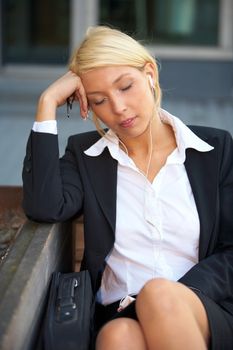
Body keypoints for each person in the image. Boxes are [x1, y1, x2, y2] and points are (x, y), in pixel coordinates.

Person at [22, 26, 233, 350]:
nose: (118, 108)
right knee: (117, 338)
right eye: (99, 100)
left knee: (160, 296)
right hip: (117, 313)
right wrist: (46, 102)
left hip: (204, 307)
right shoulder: (85, 155)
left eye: (125, 86)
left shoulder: (215, 149)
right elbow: (44, 206)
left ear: (149, 73)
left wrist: (168, 297)